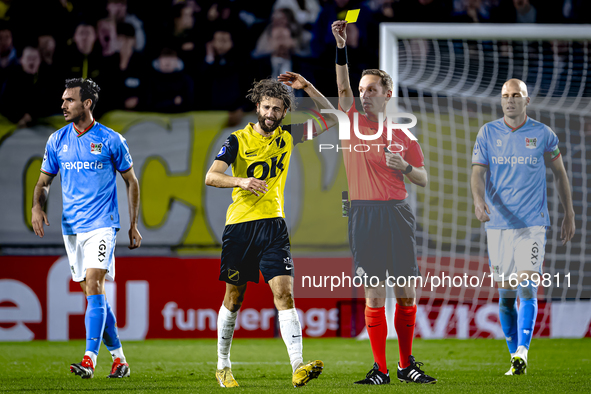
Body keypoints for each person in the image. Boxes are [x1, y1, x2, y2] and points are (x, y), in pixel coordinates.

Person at [205, 74, 336, 388]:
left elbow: (332, 118)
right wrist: (241, 181)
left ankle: (297, 366)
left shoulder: (289, 136)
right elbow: (212, 176)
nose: (271, 114)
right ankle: (223, 366)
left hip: (275, 226)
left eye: (277, 109)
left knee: (284, 293)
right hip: (239, 227)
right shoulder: (237, 140)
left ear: (284, 112)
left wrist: (307, 88)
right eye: (266, 107)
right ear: (257, 107)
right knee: (234, 299)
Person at [332, 20, 436, 385]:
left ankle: (407, 364)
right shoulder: (350, 122)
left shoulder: (404, 136)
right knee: (374, 294)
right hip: (364, 214)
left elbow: (423, 177)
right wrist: (341, 46)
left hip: (397, 213)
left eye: (372, 89)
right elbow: (341, 85)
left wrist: (405, 166)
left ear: (387, 93)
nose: (364, 94)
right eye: (362, 89)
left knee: (406, 292)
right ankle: (381, 368)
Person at [31, 78, 142, 379]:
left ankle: (89, 359)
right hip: (72, 229)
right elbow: (44, 182)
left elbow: (131, 181)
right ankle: (120, 360)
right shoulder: (57, 140)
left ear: (87, 104)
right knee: (95, 297)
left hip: (103, 225)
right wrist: (37, 206)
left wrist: (132, 225)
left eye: (69, 100)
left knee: (94, 285)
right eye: (63, 99)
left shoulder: (110, 139)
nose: (63, 104)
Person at [471, 78, 575, 375]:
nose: (510, 100)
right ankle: (515, 358)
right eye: (506, 96)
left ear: (527, 100)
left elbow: (560, 174)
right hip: (498, 225)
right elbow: (477, 173)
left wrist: (569, 212)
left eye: (516, 95)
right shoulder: (488, 133)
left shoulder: (543, 134)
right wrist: (479, 201)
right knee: (505, 295)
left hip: (532, 224)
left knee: (526, 287)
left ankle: (523, 351)